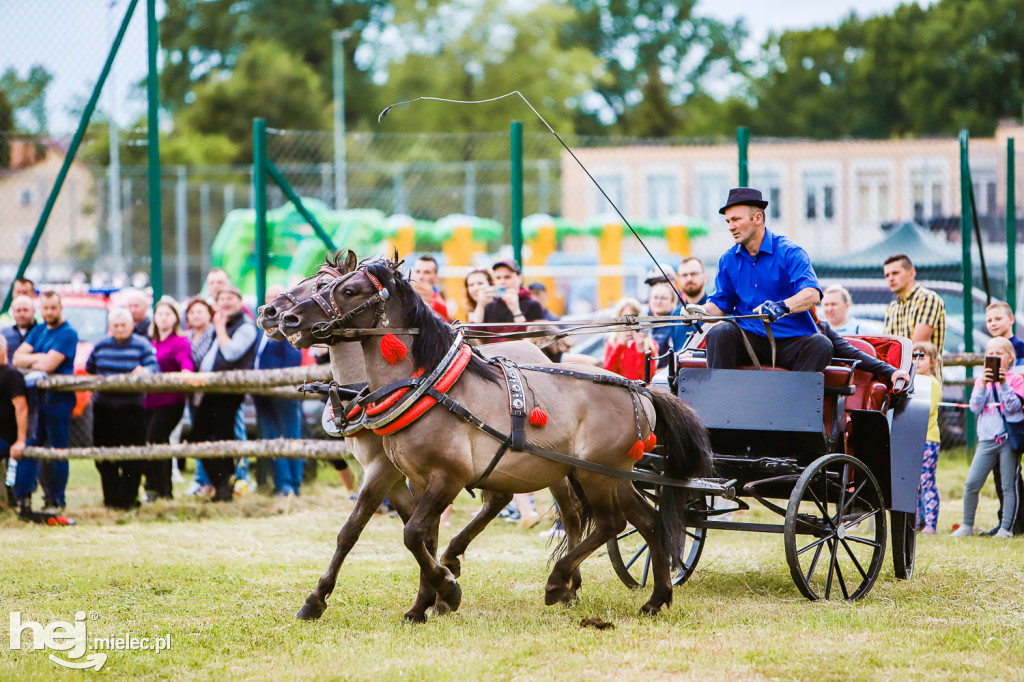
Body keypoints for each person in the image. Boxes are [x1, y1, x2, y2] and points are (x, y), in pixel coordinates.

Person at [701, 188, 831, 372]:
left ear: (758, 218)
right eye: (728, 221)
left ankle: (793, 401)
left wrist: (781, 307)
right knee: (720, 333)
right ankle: (720, 397)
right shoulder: (727, 260)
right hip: (749, 340)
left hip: (791, 340)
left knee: (821, 344)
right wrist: (699, 311)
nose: (730, 226)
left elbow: (812, 294)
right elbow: (720, 305)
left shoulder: (790, 251)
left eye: (736, 219)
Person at [12, 291, 78, 513]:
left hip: (59, 400)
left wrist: (39, 359)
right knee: (31, 446)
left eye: (53, 308)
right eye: (45, 308)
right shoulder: (39, 330)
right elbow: (17, 358)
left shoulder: (68, 333)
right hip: (36, 400)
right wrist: (41, 358)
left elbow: (49, 365)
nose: (49, 312)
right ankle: (24, 497)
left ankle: (55, 499)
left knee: (58, 449)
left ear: (60, 307)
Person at [190, 286, 258, 502]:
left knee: (218, 437)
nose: (226, 303)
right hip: (212, 389)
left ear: (240, 302)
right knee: (204, 437)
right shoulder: (222, 324)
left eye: (231, 298)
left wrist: (219, 328)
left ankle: (224, 484)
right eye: (222, 299)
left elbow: (230, 353)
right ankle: (223, 485)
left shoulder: (245, 326)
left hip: (229, 390)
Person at [86, 308, 159, 509]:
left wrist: (144, 370)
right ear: (110, 327)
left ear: (131, 326)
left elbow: (154, 368)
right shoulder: (100, 345)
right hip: (104, 408)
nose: (119, 329)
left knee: (133, 456)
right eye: (115, 326)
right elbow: (90, 368)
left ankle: (129, 499)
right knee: (104, 457)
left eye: (123, 325)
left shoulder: (142, 345)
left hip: (132, 409)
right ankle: (111, 499)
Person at [951, 336, 1023, 538]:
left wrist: (1004, 384)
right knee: (972, 483)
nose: (994, 357)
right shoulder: (980, 382)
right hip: (986, 441)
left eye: (999, 353)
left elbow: (1014, 406)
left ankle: (1006, 528)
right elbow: (975, 407)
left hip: (1008, 440)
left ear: (1010, 358)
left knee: (1008, 485)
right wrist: (983, 384)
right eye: (990, 354)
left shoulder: (1016, 380)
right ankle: (967, 525)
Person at [254, 285, 305, 497]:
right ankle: (281, 483)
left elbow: (294, 359)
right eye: (268, 297)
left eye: (276, 297)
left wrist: (280, 383)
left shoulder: (290, 326)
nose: (271, 301)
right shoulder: (263, 327)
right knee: (271, 436)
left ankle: (291, 485)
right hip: (262, 393)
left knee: (290, 436)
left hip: (284, 391)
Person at [143, 298, 194, 501]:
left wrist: (186, 373)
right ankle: (153, 488)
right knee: (152, 443)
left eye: (168, 314)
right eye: (160, 314)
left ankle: (165, 491)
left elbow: (186, 363)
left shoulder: (179, 342)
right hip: (149, 402)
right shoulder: (151, 343)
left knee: (157, 440)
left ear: (175, 318)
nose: (163, 318)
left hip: (170, 402)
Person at [982, 300, 1024, 536]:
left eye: (998, 318)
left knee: (1011, 474)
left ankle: (1014, 521)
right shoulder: (991, 348)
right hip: (998, 425)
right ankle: (1007, 520)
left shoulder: (1021, 348)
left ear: (1011, 320)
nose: (993, 323)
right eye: (989, 320)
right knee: (1002, 473)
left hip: (1017, 420)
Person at [184, 297, 216, 497]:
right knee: (198, 436)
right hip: (192, 394)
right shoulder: (186, 336)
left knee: (210, 436)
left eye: (200, 312)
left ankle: (214, 481)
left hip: (210, 393)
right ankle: (201, 481)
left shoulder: (214, 333)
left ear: (209, 314)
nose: (196, 315)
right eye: (192, 312)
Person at [882, 254, 946, 352]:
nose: (890, 278)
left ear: (912, 273)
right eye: (887, 275)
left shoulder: (928, 299)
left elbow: (916, 348)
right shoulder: (892, 307)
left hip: (922, 367)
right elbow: (887, 347)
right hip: (898, 367)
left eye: (895, 273)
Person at [913, 341, 942, 535]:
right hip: (912, 437)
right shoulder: (910, 380)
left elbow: (928, 409)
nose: (918, 360)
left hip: (928, 439)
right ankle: (915, 521)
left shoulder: (932, 383)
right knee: (912, 483)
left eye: (922, 356)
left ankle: (931, 524)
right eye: (914, 355)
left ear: (933, 361)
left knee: (926, 481)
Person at [481, 259, 545, 340]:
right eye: (498, 278)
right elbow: (477, 338)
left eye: (507, 277)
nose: (502, 282)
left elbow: (536, 340)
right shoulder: (490, 305)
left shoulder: (533, 305)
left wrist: (516, 311)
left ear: (520, 279)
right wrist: (480, 305)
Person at [0, 335, 28, 508]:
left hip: (5, 436)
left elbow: (21, 407)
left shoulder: (11, 375)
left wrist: (20, 440)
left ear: (5, 350)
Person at [602, 298, 659, 381]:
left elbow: (648, 380)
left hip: (638, 391)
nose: (628, 323)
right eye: (625, 318)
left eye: (633, 318)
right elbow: (607, 374)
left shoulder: (649, 344)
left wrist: (641, 349)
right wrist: (620, 346)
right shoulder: (613, 342)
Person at [647, 281, 691, 366]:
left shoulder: (678, 325)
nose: (659, 301)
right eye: (655, 297)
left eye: (663, 298)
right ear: (649, 301)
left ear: (673, 302)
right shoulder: (643, 325)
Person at [411, 255, 449, 320]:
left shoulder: (439, 303)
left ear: (436, 278)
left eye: (427, 272)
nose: (420, 277)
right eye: (418, 271)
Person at [3, 295, 37, 363]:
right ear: (13, 312)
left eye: (25, 310)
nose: (22, 314)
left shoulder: (42, 332)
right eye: (18, 310)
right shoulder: (4, 335)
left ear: (33, 311)